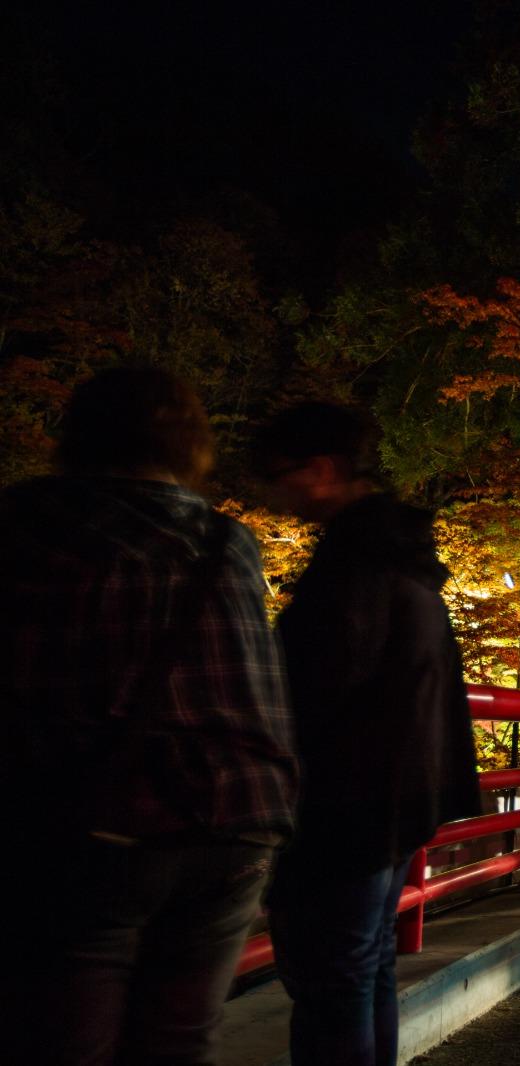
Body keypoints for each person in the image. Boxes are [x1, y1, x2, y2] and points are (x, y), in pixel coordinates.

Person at [1, 367, 298, 1065]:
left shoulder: (29, 523)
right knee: (178, 1043)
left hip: (99, 819)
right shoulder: (230, 542)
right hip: (238, 812)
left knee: (64, 1042)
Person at [255, 403, 481, 1066]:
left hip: (346, 801)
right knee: (366, 964)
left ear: (321, 470)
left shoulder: (355, 565)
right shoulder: (400, 557)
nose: (275, 491)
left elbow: (318, 685)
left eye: (280, 474)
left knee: (335, 981)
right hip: (396, 798)